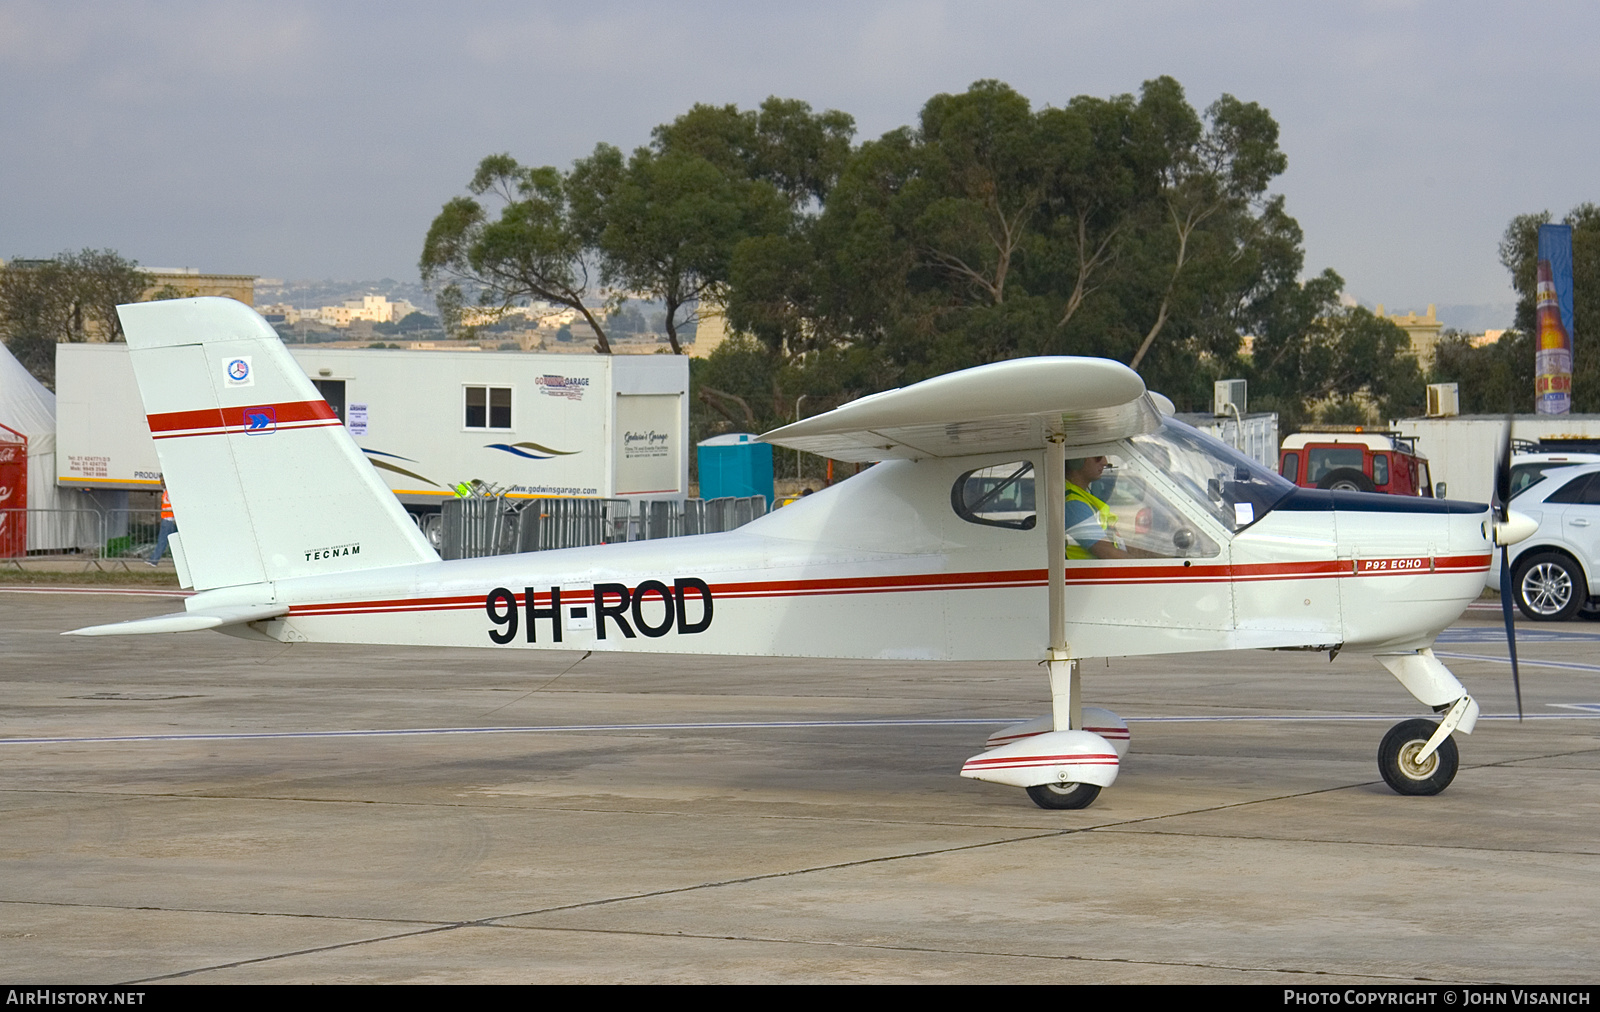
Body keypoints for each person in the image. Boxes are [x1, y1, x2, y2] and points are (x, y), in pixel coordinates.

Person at [1063, 456, 1132, 560]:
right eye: (1097, 457)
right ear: (1076, 461)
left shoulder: (1083, 496)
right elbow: (1107, 553)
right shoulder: (1073, 504)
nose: (1105, 462)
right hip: (1085, 574)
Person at [149, 481, 177, 566]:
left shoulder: (169, 492)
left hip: (168, 519)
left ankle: (154, 560)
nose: (161, 483)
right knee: (170, 541)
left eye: (163, 481)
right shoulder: (167, 491)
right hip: (168, 519)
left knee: (162, 540)